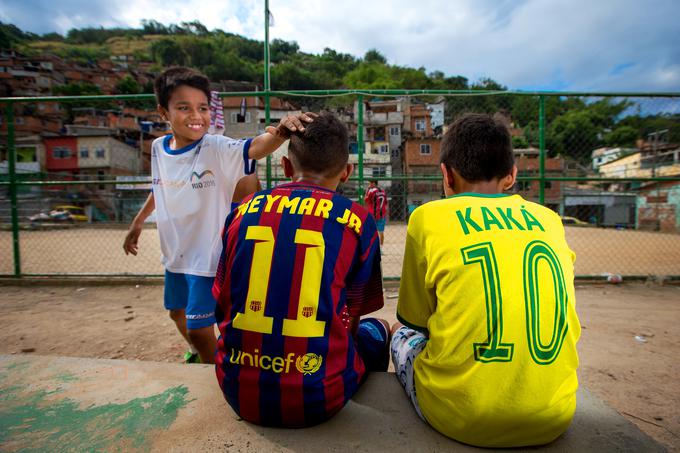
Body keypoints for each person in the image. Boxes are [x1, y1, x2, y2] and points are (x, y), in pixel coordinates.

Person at [391, 113, 581, 448]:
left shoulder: (427, 218)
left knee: (398, 333)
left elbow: (417, 322)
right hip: (553, 415)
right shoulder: (550, 220)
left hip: (459, 418)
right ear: (512, 176)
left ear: (446, 175)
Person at [123, 66, 314, 365]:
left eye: (202, 108)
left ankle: (220, 375)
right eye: (184, 108)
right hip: (175, 253)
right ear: (163, 112)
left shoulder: (215, 147)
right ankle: (204, 356)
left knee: (200, 328)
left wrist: (280, 133)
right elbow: (160, 187)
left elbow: (256, 147)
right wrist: (137, 223)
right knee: (177, 313)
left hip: (206, 256)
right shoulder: (159, 148)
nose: (196, 116)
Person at [212, 112, 389, 427]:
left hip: (237, 390)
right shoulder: (358, 221)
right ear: (347, 172)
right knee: (380, 330)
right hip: (320, 399)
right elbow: (353, 315)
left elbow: (221, 302)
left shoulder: (240, 213)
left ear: (285, 166)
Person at [364, 180, 388, 245]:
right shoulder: (383, 191)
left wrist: (367, 190)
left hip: (373, 215)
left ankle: (371, 246)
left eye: (370, 183)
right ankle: (381, 248)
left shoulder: (371, 191)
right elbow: (385, 203)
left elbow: (366, 199)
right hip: (381, 214)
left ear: (374, 183)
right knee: (381, 232)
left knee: (370, 231)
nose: (369, 185)